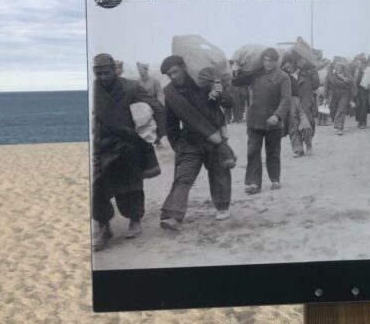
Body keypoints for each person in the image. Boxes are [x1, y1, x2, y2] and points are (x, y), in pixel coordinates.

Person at [91, 53, 166, 251]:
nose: (102, 77)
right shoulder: (94, 90)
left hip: (127, 146)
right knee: (97, 188)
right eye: (97, 73)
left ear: (114, 70)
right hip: (100, 147)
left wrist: (158, 133)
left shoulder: (131, 87)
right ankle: (104, 226)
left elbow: (157, 107)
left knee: (131, 188)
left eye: (106, 72)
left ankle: (135, 220)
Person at [158, 55, 235, 230]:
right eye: (169, 74)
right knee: (183, 178)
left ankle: (222, 207)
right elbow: (170, 123)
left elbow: (230, 103)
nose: (173, 76)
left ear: (184, 67)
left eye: (176, 71)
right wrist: (177, 145)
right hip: (190, 140)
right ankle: (174, 217)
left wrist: (219, 92)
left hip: (214, 136)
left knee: (219, 172)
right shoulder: (170, 93)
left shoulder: (204, 81)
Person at [232, 47, 292, 195]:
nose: (267, 63)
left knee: (273, 152)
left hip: (273, 122)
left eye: (270, 61)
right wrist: (235, 70)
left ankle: (275, 179)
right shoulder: (255, 74)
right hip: (254, 121)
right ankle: (253, 183)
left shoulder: (283, 77)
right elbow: (236, 82)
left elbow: (286, 99)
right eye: (265, 60)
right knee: (252, 152)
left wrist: (277, 116)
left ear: (276, 62)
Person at [284, 57, 320, 157]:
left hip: (305, 101)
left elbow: (316, 85)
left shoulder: (306, 73)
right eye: (286, 67)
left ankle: (308, 145)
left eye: (289, 66)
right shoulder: (284, 76)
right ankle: (298, 149)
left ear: (294, 64)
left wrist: (314, 71)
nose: (287, 68)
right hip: (291, 101)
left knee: (306, 125)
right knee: (293, 125)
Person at [325, 58, 355, 135]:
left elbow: (351, 81)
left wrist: (344, 79)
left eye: (339, 64)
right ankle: (336, 123)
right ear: (333, 65)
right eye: (336, 64)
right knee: (333, 110)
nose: (338, 66)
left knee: (341, 109)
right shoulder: (330, 73)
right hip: (334, 94)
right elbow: (327, 85)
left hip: (344, 93)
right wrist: (325, 97)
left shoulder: (346, 71)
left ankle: (340, 128)